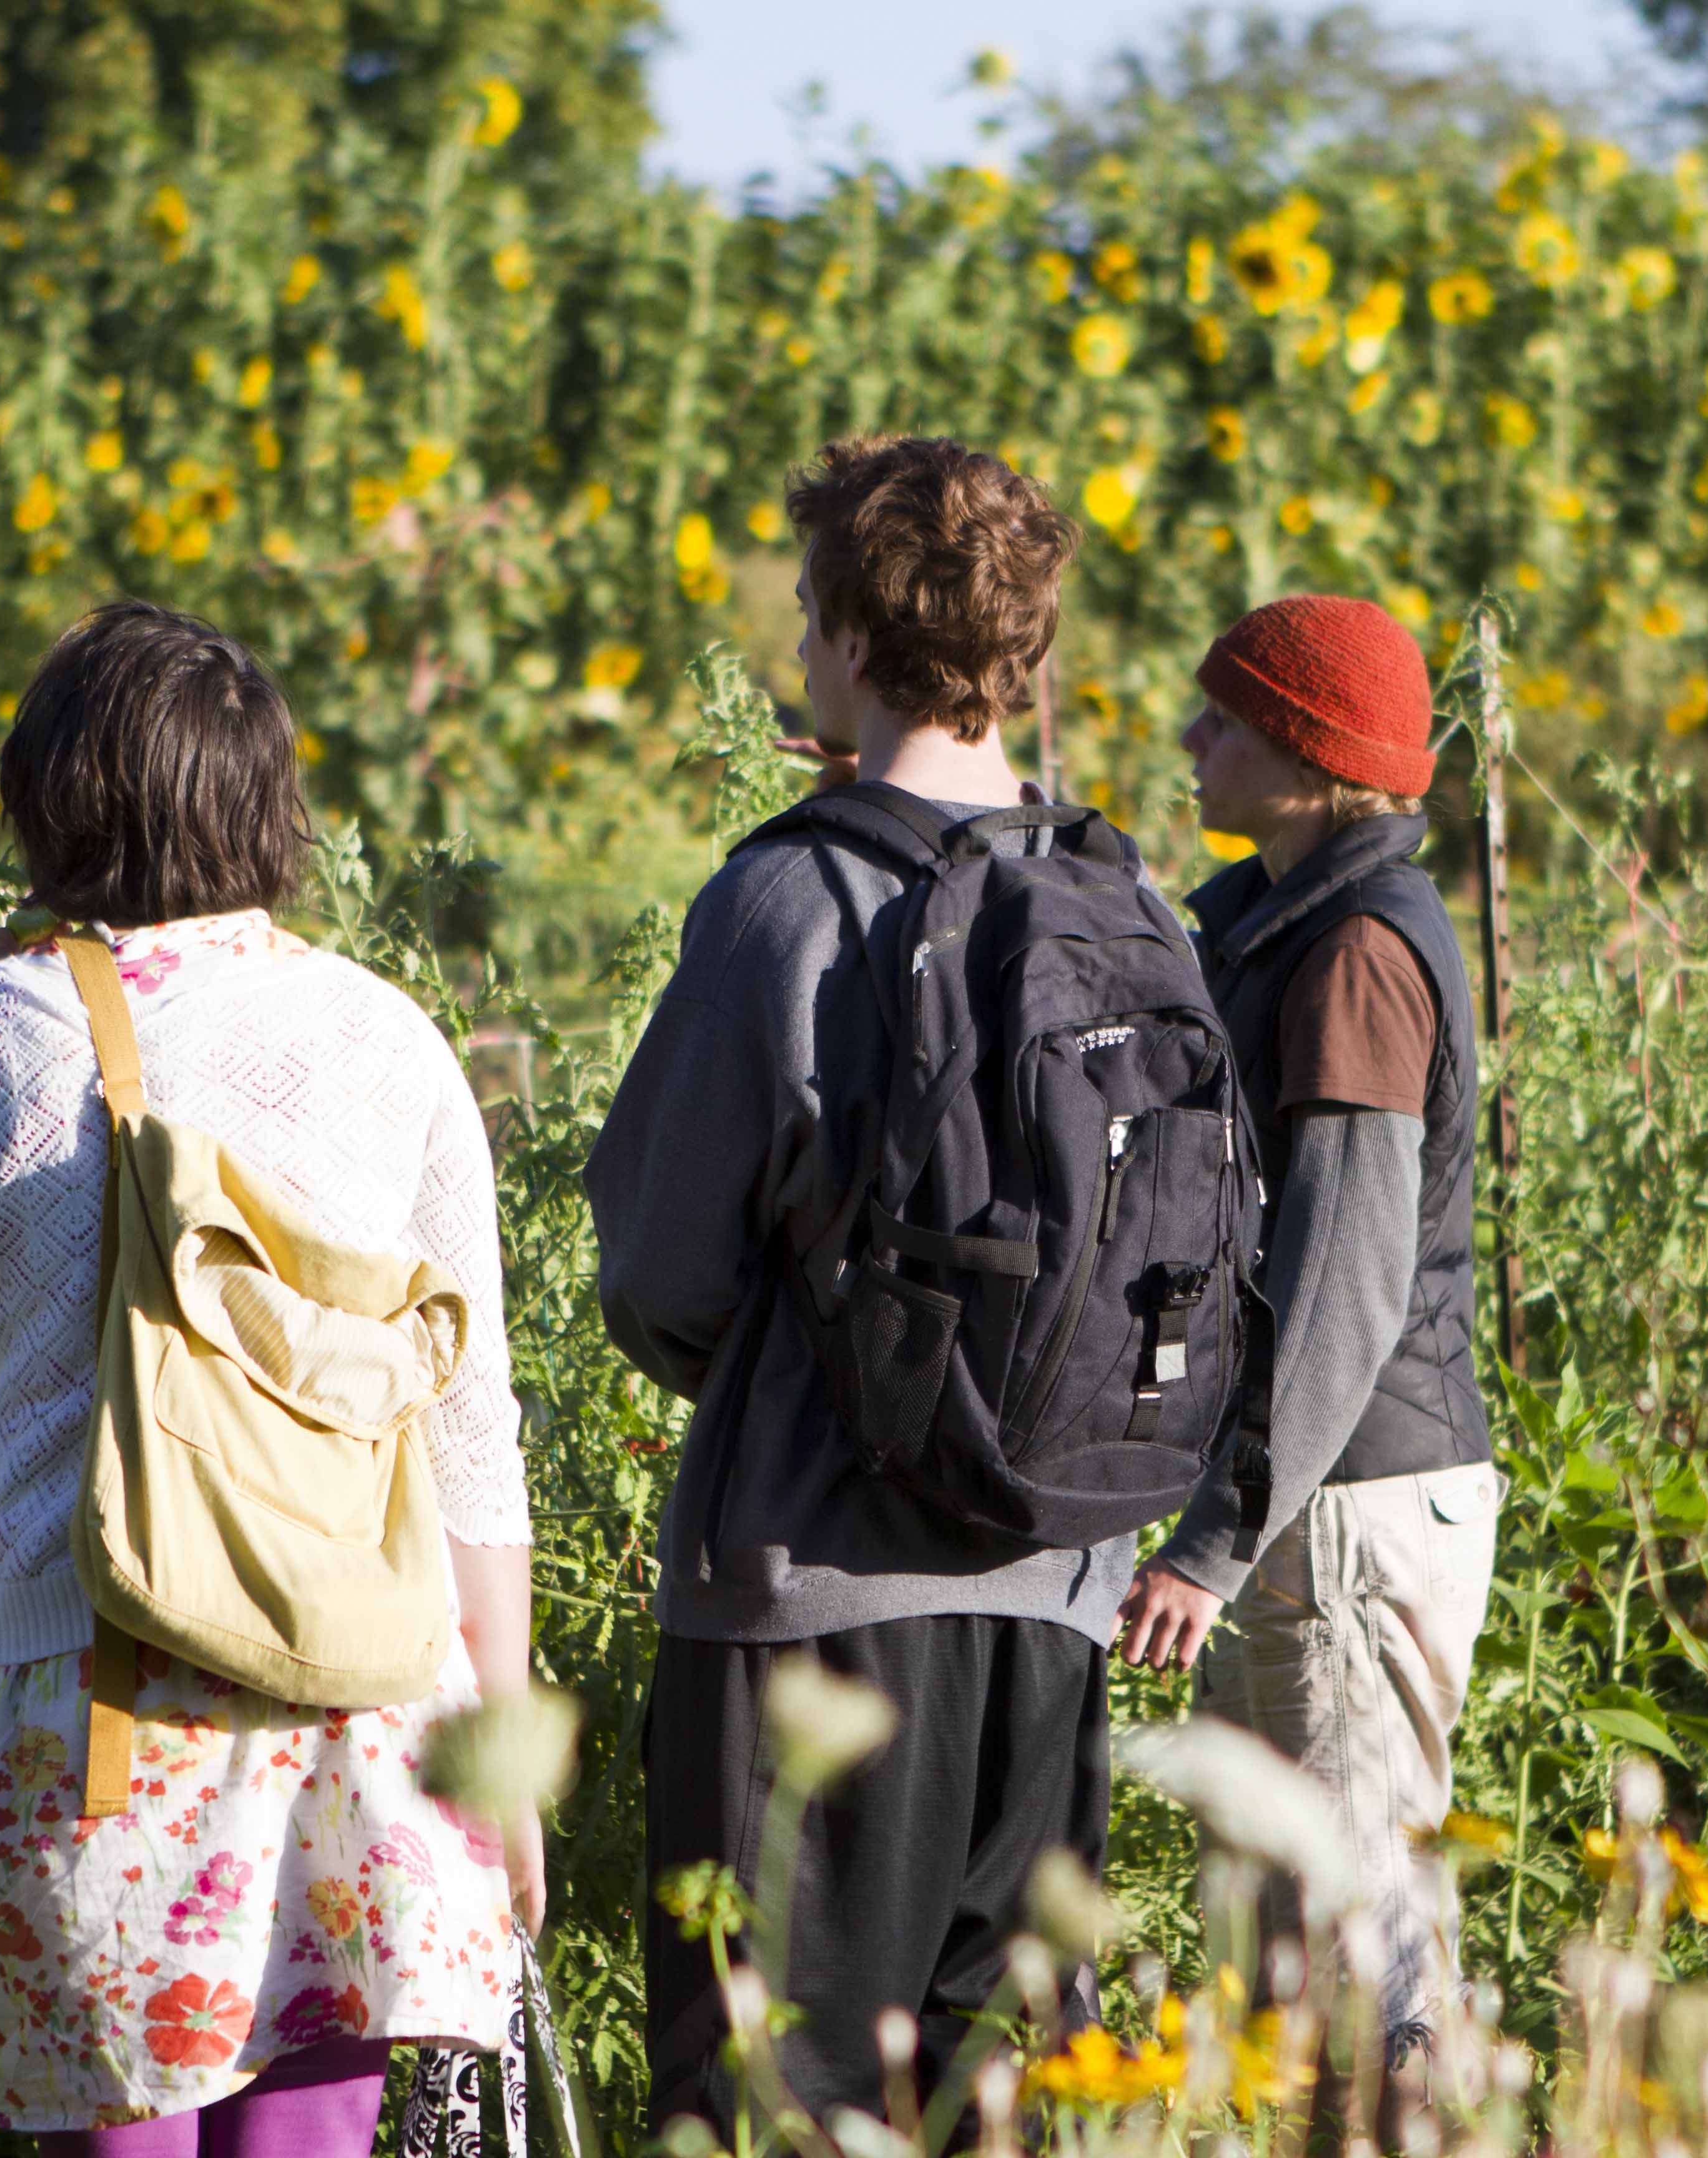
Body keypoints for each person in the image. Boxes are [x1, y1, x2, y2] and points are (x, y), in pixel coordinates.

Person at [0, 600, 541, 2152]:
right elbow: (468, 1433)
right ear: (264, 803)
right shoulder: (390, 1038)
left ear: (53, 795)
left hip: (77, 1695)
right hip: (358, 1694)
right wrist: (504, 1756)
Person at [586, 435, 1122, 2130]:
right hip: (1060, 1593)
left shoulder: (788, 898)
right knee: (1000, 2103)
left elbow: (659, 1271)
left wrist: (834, 1380)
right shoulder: (1118, 897)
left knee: (779, 2103)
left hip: (814, 1607)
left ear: (850, 632)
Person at [1110, 594, 1501, 2071]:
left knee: (1360, 1957)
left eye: (1226, 718)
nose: (1192, 737)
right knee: (1297, 1964)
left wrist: (1216, 1542)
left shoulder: (1356, 959)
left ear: (1312, 758)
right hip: (1322, 1496)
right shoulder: (1283, 922)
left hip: (1341, 1511)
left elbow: (1345, 1280)